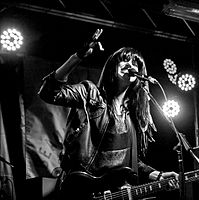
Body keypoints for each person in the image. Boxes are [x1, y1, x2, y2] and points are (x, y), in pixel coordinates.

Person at [38, 30, 179, 200]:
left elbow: (128, 162)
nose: (131, 65)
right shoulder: (90, 94)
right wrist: (78, 56)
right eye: (125, 60)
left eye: (136, 63)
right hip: (81, 188)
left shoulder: (132, 115)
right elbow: (49, 93)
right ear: (113, 65)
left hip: (115, 192)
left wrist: (156, 174)